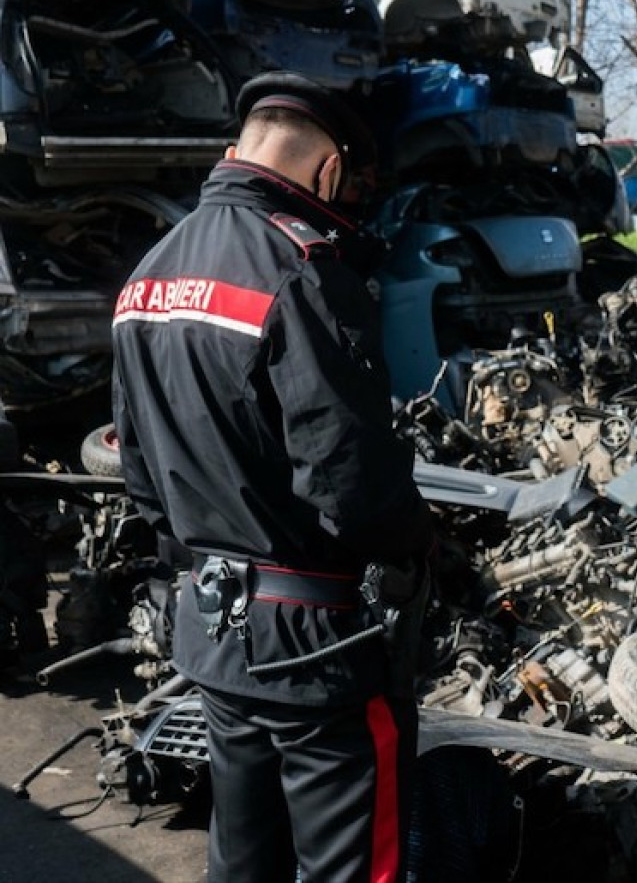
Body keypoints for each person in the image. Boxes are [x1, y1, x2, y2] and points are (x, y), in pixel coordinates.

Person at [111, 71, 434, 883]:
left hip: (214, 632)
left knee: (242, 856)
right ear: (328, 173)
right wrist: (421, 553)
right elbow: (351, 486)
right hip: (319, 647)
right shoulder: (304, 272)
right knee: (357, 867)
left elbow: (141, 477)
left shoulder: (146, 275)